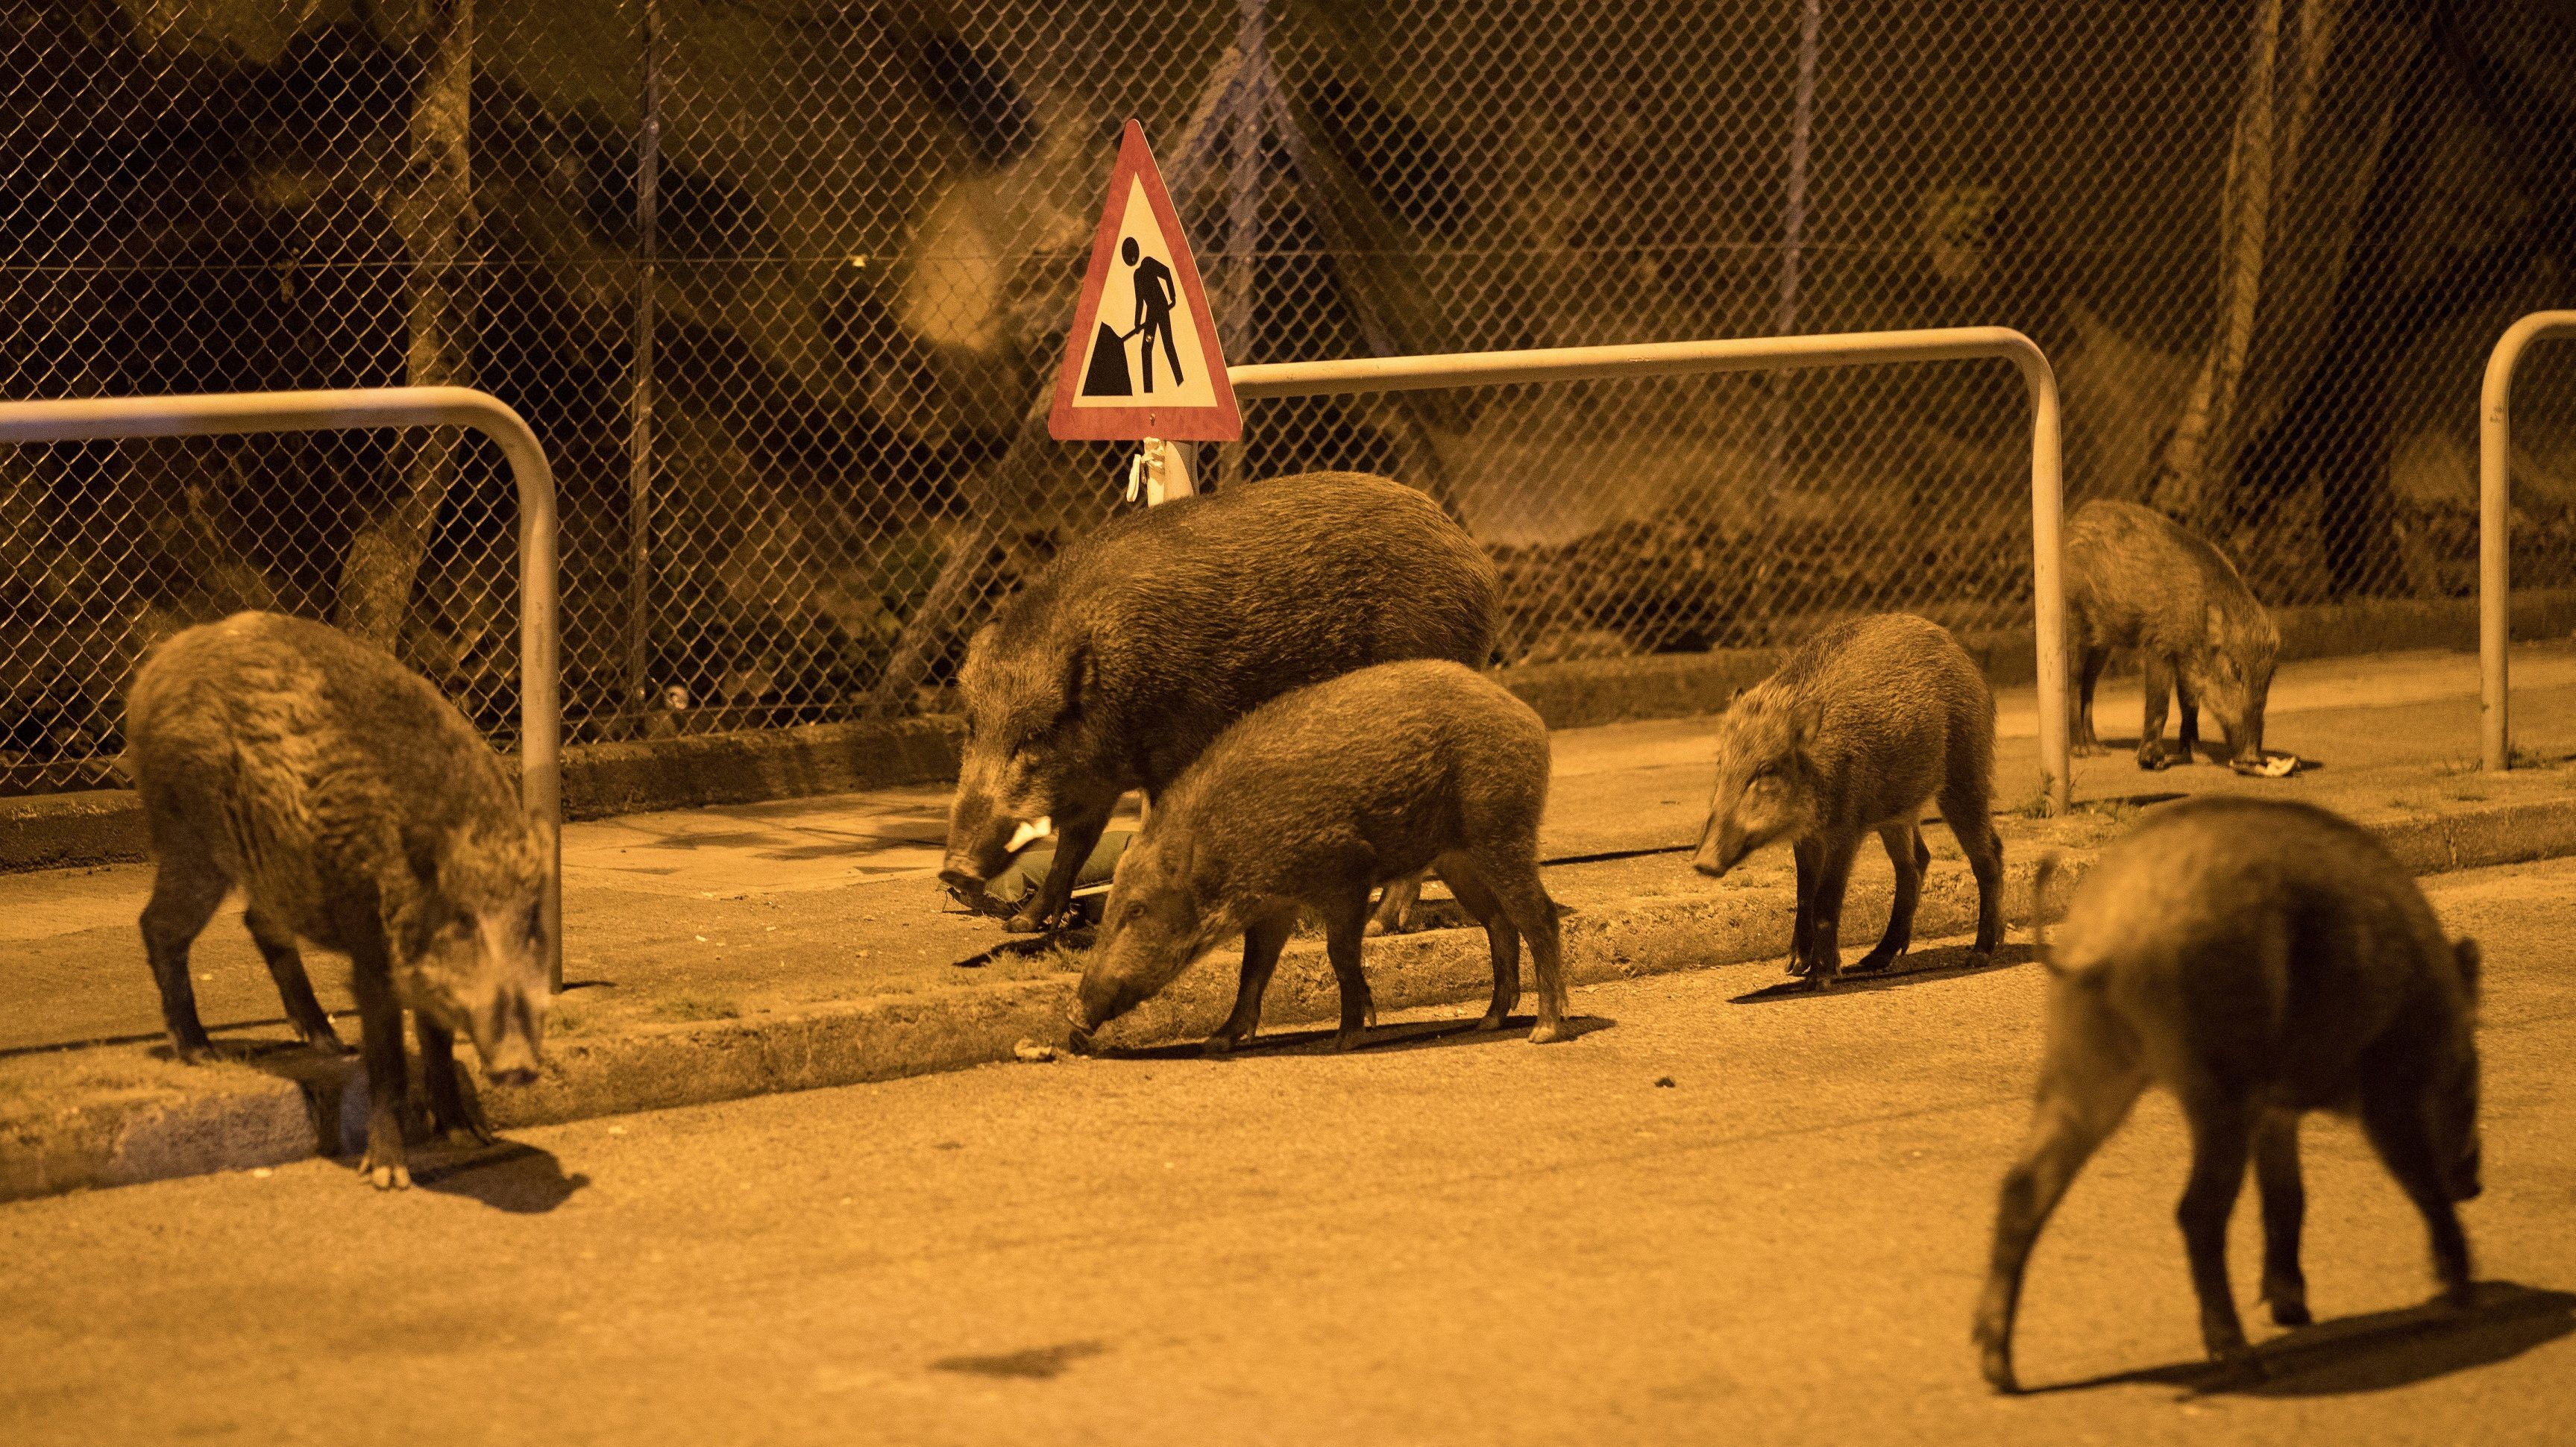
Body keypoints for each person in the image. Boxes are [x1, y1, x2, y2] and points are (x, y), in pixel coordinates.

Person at [1123, 236, 1181, 392]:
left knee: (1168, 345)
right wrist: (1137, 324)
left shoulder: (1148, 263)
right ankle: (1148, 391)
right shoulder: (1137, 275)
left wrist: (1173, 297)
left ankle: (1181, 383)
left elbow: (1166, 272)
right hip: (1151, 314)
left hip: (1161, 309)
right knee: (1146, 349)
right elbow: (1140, 301)